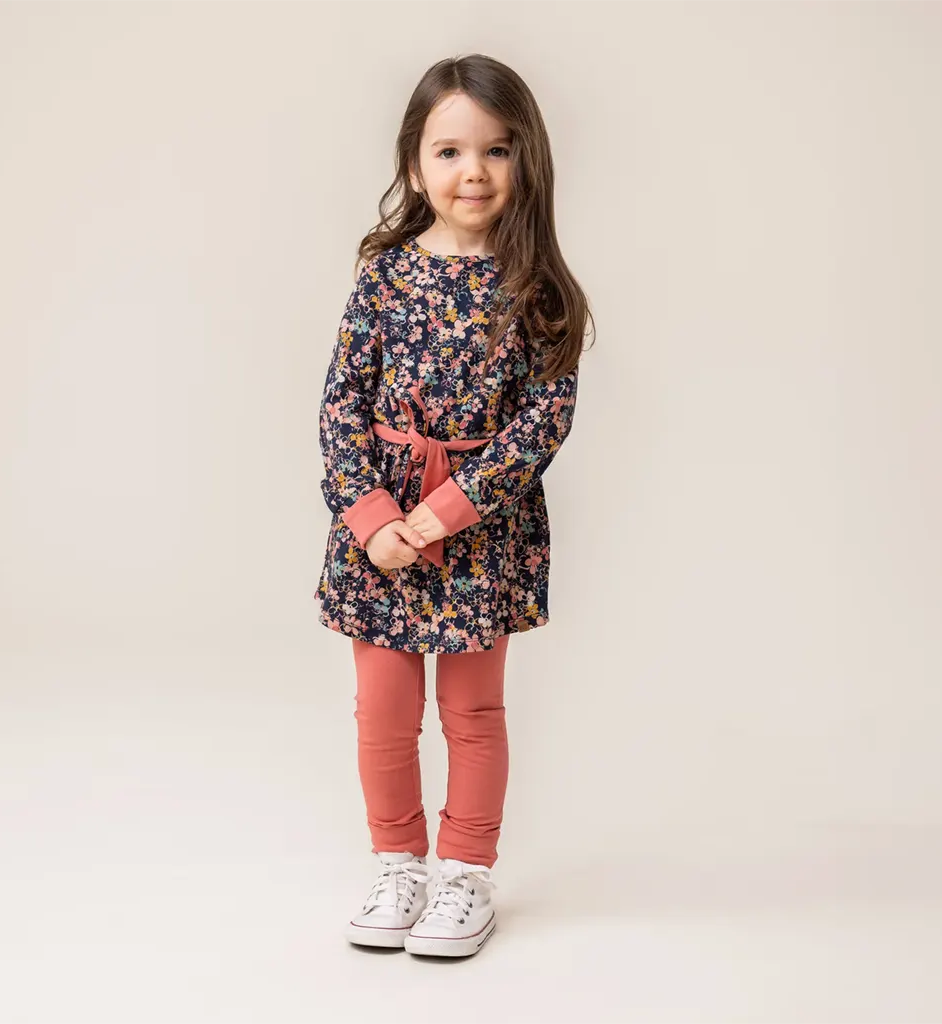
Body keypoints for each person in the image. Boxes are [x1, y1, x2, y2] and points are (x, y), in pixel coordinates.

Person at [314, 53, 593, 957]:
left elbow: (544, 419)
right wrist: (372, 521)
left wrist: (449, 511)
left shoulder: (534, 285)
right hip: (381, 535)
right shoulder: (383, 274)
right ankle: (398, 865)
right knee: (383, 710)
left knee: (472, 714)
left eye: (497, 150)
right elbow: (340, 404)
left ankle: (465, 875)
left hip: (480, 536)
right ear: (413, 163)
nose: (474, 171)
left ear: (526, 160)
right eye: (450, 151)